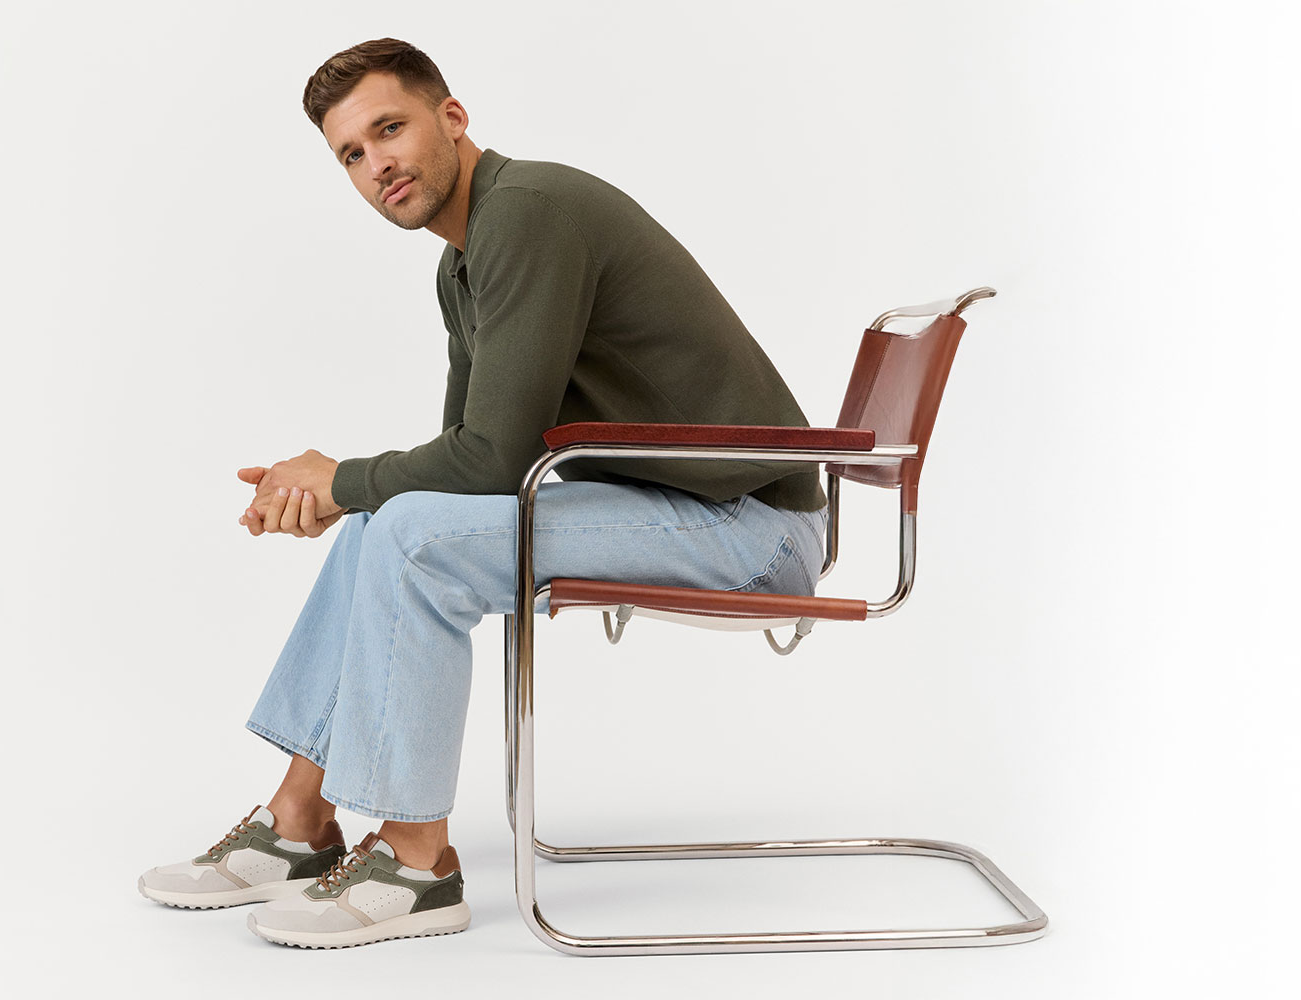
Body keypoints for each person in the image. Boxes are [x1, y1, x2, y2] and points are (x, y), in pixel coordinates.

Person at [137, 38, 833, 949]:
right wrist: (353, 494)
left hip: (755, 530)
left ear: (452, 120)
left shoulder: (528, 215)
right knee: (397, 523)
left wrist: (337, 480)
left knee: (410, 531)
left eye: (390, 129)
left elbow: (493, 460)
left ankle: (419, 865)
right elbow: (467, 469)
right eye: (351, 153)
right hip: (700, 510)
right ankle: (298, 823)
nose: (376, 163)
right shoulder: (460, 262)